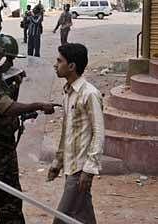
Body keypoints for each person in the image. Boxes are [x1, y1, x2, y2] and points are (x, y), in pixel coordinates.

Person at [0, 33, 60, 224]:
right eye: (9, 59)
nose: (10, 64)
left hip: (5, 146)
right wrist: (37, 105)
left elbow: (4, 106)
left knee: (11, 201)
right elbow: (7, 107)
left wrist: (14, 83)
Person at [47, 43, 104, 224]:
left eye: (59, 61)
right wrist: (58, 160)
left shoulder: (90, 94)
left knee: (61, 219)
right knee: (84, 216)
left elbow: (99, 132)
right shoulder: (68, 92)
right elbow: (67, 131)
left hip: (80, 169)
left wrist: (89, 169)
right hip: (70, 166)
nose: (55, 65)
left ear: (72, 66)